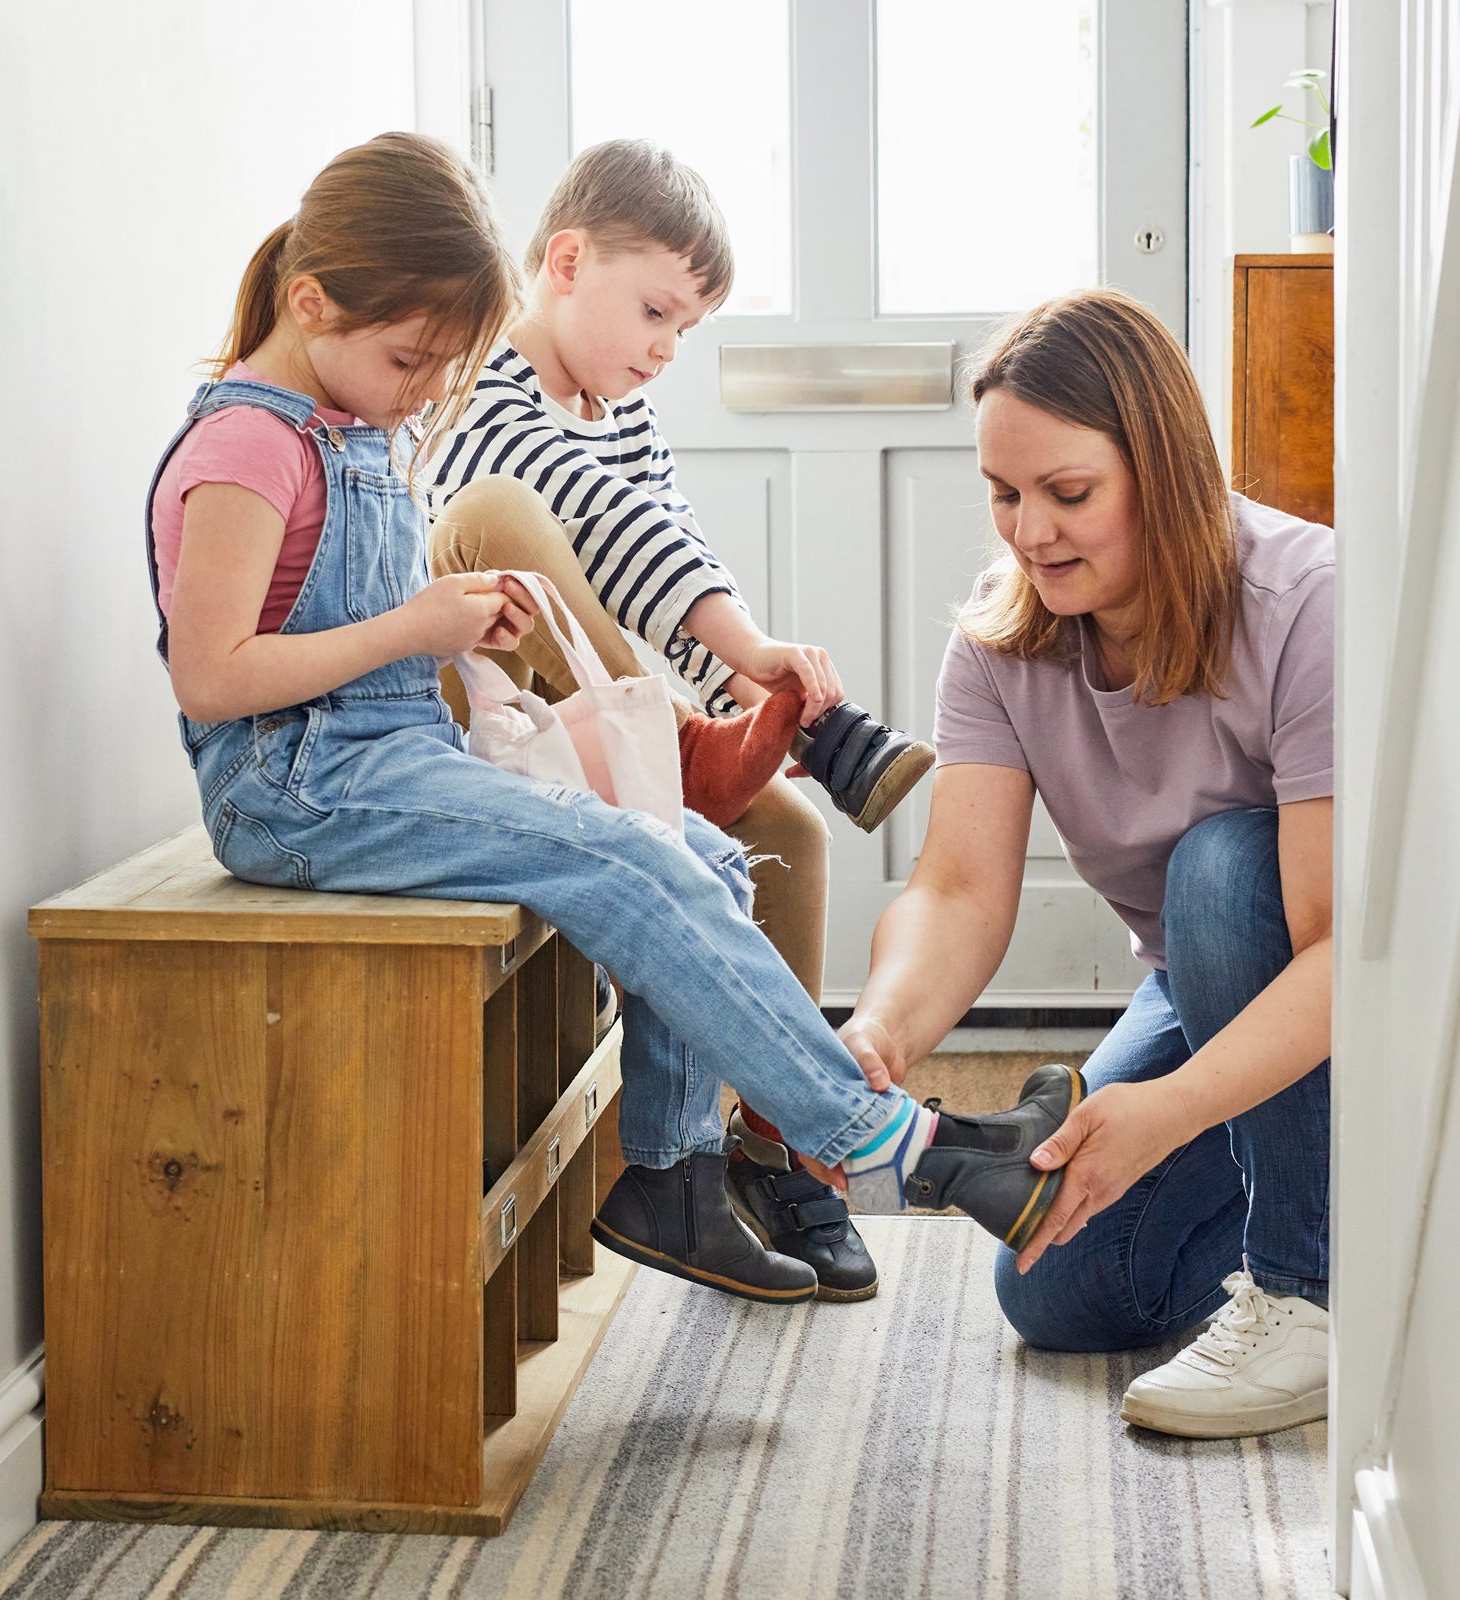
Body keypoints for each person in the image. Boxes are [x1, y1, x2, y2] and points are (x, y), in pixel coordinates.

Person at [144, 131, 1077, 1308]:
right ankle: (889, 1142)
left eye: (445, 367)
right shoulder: (244, 442)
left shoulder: (355, 422)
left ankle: (676, 1175)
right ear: (310, 300)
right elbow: (212, 679)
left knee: (704, 850)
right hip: (291, 788)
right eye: (413, 360)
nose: (430, 392)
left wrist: (461, 623)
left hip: (384, 759)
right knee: (631, 850)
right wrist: (414, 627)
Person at [426, 139, 935, 1301]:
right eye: (653, 312)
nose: (664, 350)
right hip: (485, 709)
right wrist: (745, 664)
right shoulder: (480, 384)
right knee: (531, 527)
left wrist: (743, 685)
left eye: (685, 332)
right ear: (563, 261)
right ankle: (709, 749)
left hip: (597, 707)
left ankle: (766, 1146)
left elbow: (669, 549)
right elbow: (599, 533)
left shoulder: (620, 410)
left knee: (791, 831)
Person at [839, 288, 1332, 1438]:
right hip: (1199, 992)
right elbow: (957, 890)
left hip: (1338, 992)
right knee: (1054, 1283)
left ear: (1160, 471)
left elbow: (1335, 952)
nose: (1028, 532)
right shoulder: (1005, 639)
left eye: (1068, 494)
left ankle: (1307, 1290)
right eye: (1003, 495)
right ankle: (1360, 1220)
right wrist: (883, 1028)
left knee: (1217, 868)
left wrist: (1161, 1113)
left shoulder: (1303, 604)